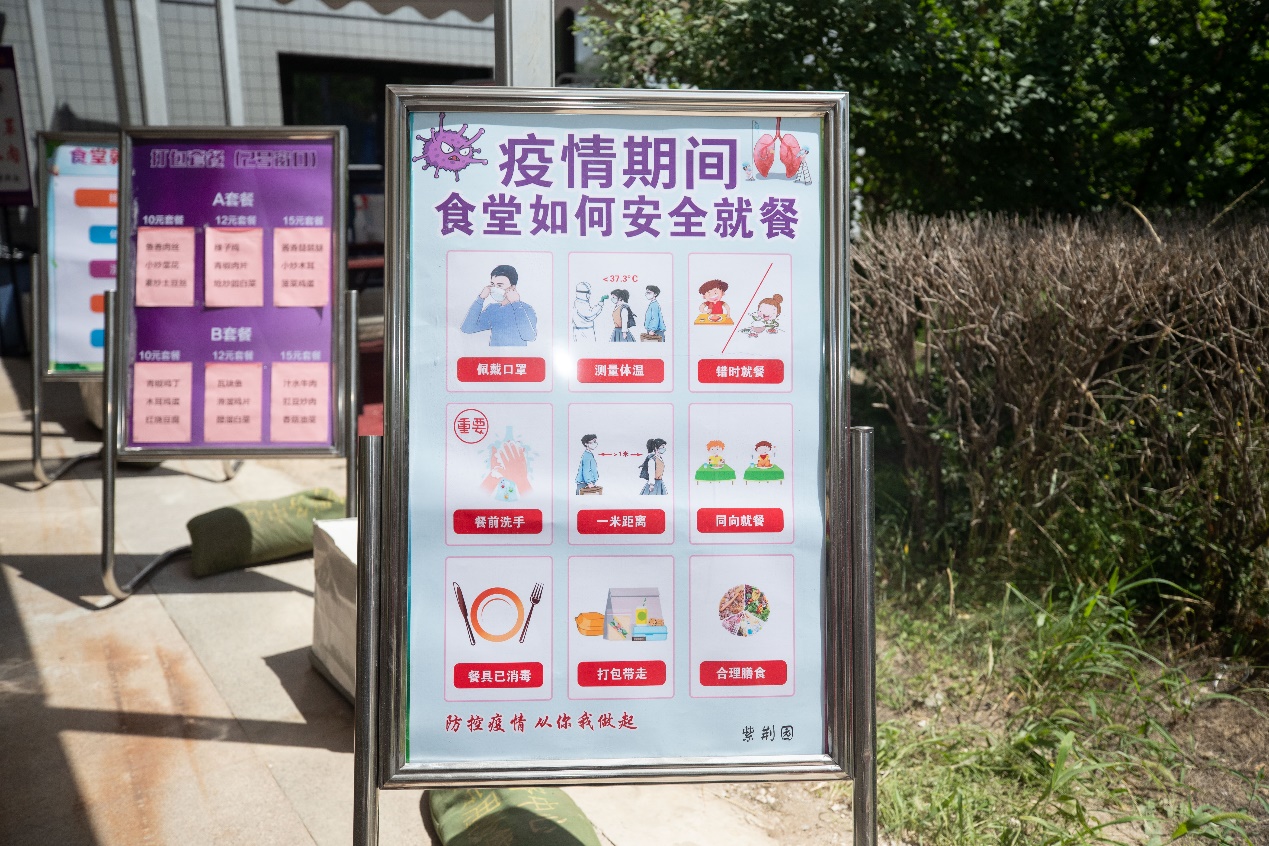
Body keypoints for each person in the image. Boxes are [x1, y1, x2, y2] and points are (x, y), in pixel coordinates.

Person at [460, 264, 537, 346]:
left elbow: (529, 337)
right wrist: (481, 299)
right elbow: (467, 329)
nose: (495, 288)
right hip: (494, 353)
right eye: (493, 284)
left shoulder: (526, 309)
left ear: (512, 287)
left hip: (518, 353)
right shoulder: (492, 309)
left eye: (499, 285)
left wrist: (516, 304)